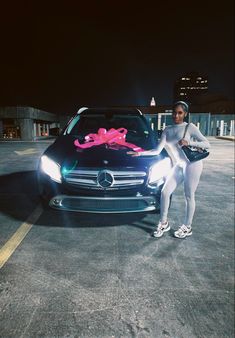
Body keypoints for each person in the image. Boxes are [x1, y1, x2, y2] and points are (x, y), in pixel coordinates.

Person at [128, 101, 210, 239]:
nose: (176, 115)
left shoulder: (190, 127)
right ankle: (163, 223)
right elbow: (157, 150)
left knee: (189, 195)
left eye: (180, 113)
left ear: (185, 114)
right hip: (179, 164)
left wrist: (189, 142)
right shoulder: (167, 129)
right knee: (165, 192)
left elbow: (207, 144)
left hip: (193, 164)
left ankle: (187, 226)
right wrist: (140, 153)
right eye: (174, 112)